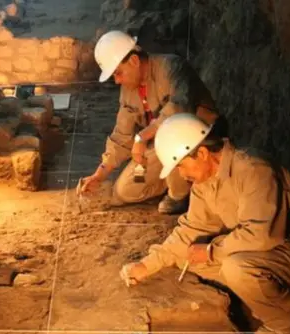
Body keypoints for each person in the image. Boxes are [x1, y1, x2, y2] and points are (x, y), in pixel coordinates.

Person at [119, 113, 290, 334]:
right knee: (185, 256)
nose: (181, 174)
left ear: (201, 153)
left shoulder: (254, 170)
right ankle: (262, 294)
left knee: (236, 268)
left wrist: (211, 251)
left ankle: (286, 318)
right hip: (258, 246)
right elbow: (192, 228)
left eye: (180, 165)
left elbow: (262, 236)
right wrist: (147, 265)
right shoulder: (205, 181)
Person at [79, 30, 225, 214]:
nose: (117, 81)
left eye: (118, 73)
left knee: (171, 140)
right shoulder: (129, 90)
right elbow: (121, 135)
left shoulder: (172, 67)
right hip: (160, 146)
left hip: (199, 139)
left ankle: (179, 195)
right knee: (125, 191)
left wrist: (141, 138)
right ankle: (178, 178)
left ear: (133, 61)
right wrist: (99, 175)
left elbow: (179, 109)